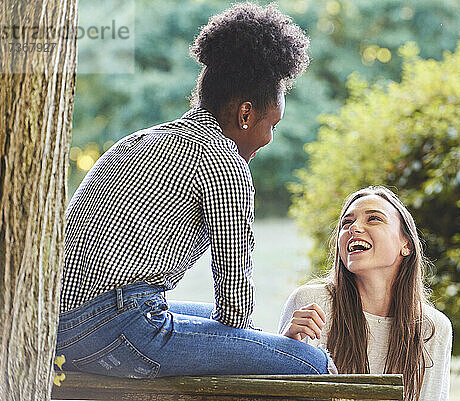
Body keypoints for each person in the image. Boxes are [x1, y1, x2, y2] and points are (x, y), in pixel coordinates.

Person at [56, 3, 334, 377]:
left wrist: (261, 342)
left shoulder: (140, 139)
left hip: (59, 328)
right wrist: (271, 346)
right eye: (273, 125)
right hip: (116, 330)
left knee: (254, 334)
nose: (269, 138)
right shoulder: (224, 162)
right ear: (246, 115)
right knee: (311, 364)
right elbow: (235, 308)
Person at [278, 186, 452, 401]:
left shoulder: (433, 327)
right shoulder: (311, 303)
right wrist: (286, 348)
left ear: (405, 244)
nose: (355, 228)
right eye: (347, 222)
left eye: (374, 219)